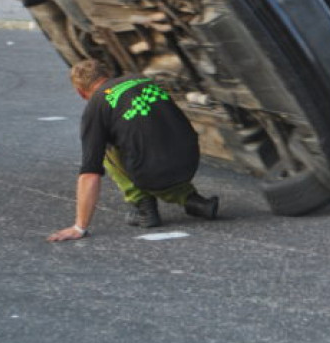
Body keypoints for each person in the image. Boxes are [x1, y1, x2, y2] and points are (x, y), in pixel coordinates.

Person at [48, 59, 218, 242]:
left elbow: (90, 173)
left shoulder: (97, 103)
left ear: (81, 92)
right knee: (147, 135)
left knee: (104, 149)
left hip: (156, 171)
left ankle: (144, 207)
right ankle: (194, 201)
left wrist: (79, 227)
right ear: (108, 75)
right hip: (189, 159)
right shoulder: (141, 80)